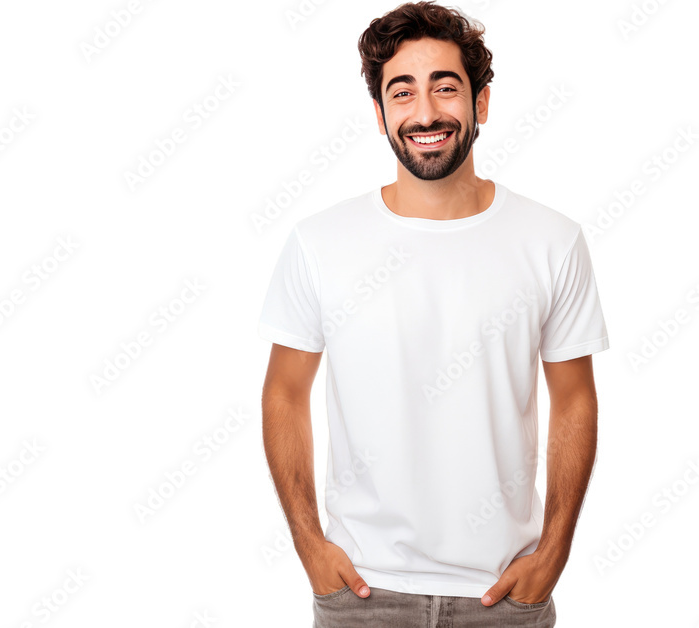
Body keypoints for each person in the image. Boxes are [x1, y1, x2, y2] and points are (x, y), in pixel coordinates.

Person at [257, 2, 610, 626]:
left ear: (481, 102)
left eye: (445, 88)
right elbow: (285, 392)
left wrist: (554, 551)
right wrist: (310, 544)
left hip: (504, 596)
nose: (425, 113)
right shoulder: (320, 242)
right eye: (403, 92)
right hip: (362, 593)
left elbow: (575, 399)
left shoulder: (551, 240)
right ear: (379, 112)